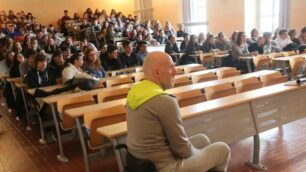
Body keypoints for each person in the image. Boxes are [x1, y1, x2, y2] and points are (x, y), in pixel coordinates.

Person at [126, 51, 230, 172]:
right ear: (157, 72)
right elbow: (182, 149)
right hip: (164, 167)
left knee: (202, 139)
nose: (175, 72)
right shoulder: (163, 101)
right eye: (171, 67)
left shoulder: (136, 92)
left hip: (142, 163)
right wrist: (200, 154)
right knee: (223, 149)